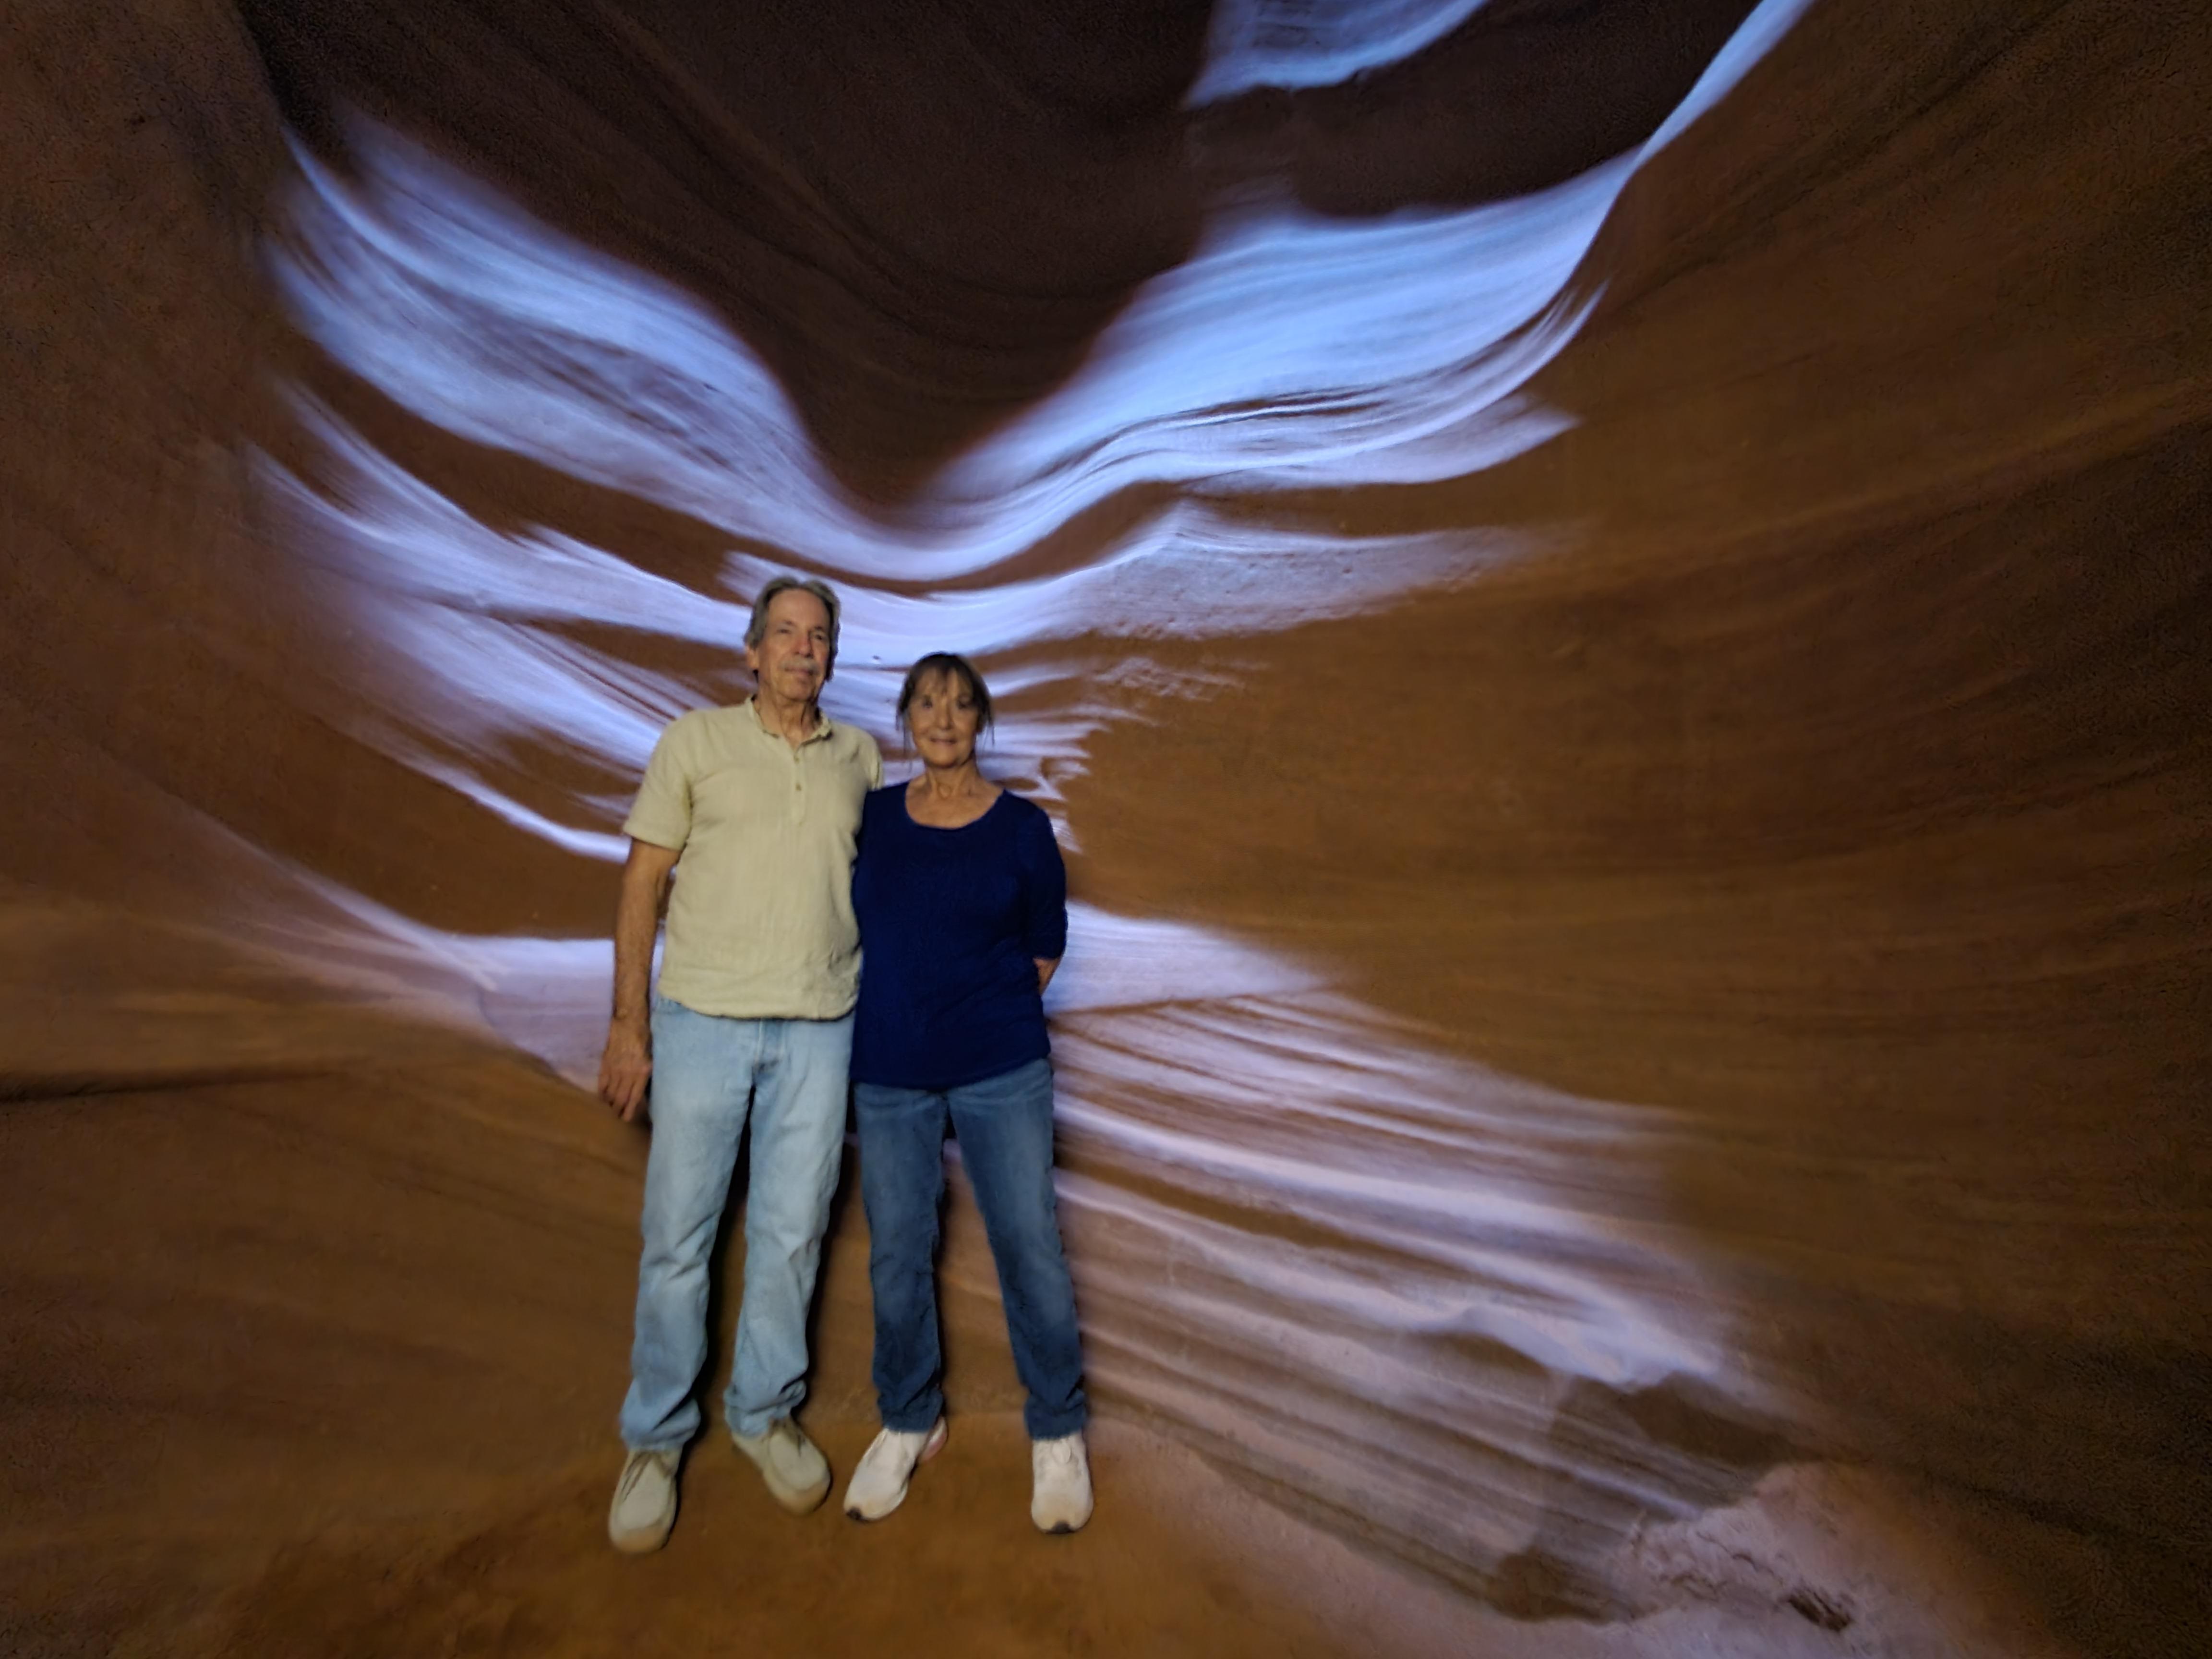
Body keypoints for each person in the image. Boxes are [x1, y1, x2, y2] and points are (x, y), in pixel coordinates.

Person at [599, 575, 882, 1554]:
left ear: (831, 657)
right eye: (786, 634)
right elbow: (641, 884)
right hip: (703, 1019)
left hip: (821, 1023)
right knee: (679, 1235)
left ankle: (764, 1412)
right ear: (752, 652)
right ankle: (657, 1437)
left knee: (794, 1230)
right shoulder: (695, 743)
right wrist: (628, 1025)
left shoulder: (861, 758)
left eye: (819, 637)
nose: (803, 649)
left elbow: (878, 895)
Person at [838, 651, 1094, 1533]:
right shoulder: (871, 819)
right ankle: (910, 1417)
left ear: (982, 718)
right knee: (897, 1250)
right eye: (926, 703)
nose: (942, 718)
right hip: (891, 1067)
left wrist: (977, 1007)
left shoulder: (1023, 828)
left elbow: (1046, 945)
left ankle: (1057, 1429)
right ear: (905, 718)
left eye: (959, 703)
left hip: (1001, 1064)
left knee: (1029, 1243)